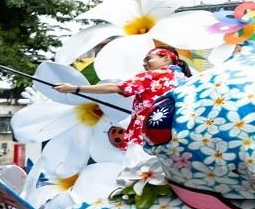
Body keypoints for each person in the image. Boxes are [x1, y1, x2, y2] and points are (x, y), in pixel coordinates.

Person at [54, 45, 190, 163]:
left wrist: (75, 88)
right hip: (178, 140)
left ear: (165, 58)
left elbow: (116, 88)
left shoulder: (153, 75)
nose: (144, 64)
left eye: (148, 59)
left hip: (144, 138)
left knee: (137, 179)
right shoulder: (186, 80)